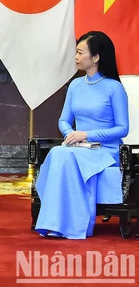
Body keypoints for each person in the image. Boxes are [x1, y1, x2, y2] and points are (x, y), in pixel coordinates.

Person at [35, 31, 129, 239]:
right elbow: (63, 121)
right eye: (76, 52)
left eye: (80, 52)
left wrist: (86, 134)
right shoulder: (76, 86)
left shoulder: (114, 89)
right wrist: (72, 135)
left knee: (63, 154)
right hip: (79, 148)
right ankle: (55, 222)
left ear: (95, 57)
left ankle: (72, 225)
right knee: (60, 152)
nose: (76, 57)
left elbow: (123, 129)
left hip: (105, 151)